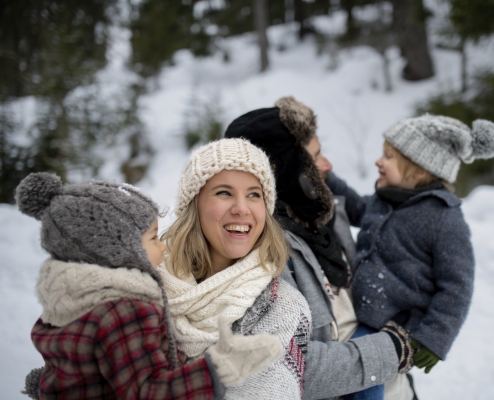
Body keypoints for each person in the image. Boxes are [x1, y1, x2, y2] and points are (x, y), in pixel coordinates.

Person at [16, 172, 283, 400]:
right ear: (117, 249)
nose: (163, 245)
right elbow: (148, 391)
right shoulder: (125, 311)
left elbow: (69, 367)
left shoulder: (69, 300)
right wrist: (219, 368)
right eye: (153, 238)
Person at [224, 96, 414, 400]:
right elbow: (289, 367)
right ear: (286, 169)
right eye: (316, 156)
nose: (328, 166)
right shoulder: (261, 255)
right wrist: (388, 350)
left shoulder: (323, 213)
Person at [326, 115, 494, 379]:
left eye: (389, 156)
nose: (378, 161)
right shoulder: (384, 199)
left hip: (397, 325)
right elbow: (356, 208)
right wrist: (327, 177)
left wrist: (434, 337)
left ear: (420, 170)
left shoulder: (444, 217)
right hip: (364, 310)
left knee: (363, 369)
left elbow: (457, 285)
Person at [157, 138, 312, 399]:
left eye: (254, 195)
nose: (241, 209)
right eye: (224, 193)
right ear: (194, 205)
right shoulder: (149, 286)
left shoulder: (283, 308)